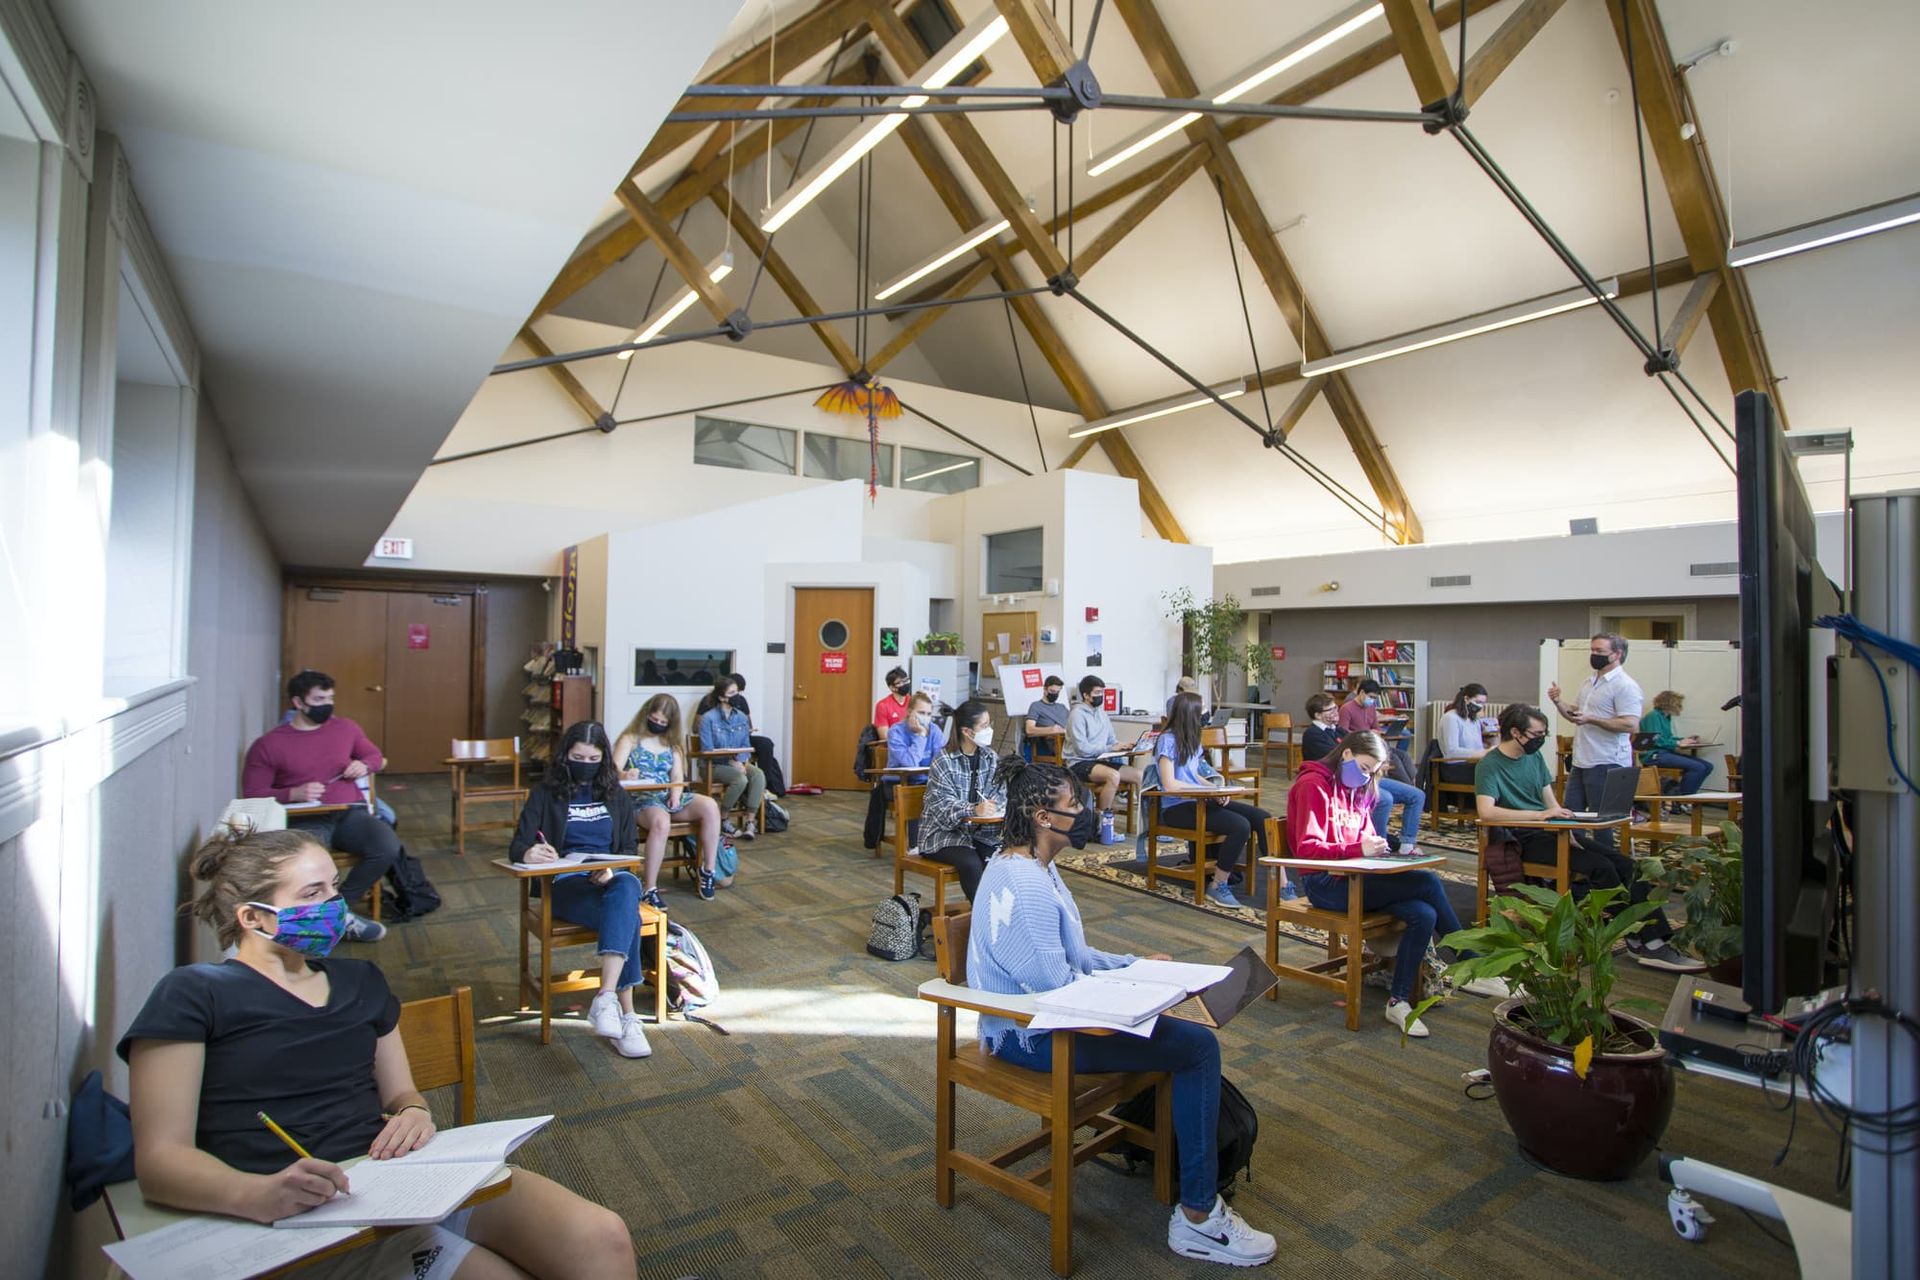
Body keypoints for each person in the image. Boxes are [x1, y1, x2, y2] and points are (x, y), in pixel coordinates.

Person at [121, 825, 636, 1277]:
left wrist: (414, 1113)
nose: (335, 906)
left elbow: (403, 1092)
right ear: (255, 917)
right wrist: (256, 1195)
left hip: (398, 1176)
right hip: (302, 1206)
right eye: (312, 893)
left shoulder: (360, 980)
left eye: (334, 889)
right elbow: (162, 1162)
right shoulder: (195, 993)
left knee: (601, 1235)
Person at [966, 757, 1276, 1265]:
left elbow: (1078, 962)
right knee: (1197, 1048)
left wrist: (1137, 967)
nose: (1086, 809)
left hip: (1047, 1020)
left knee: (1183, 1029)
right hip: (1030, 1036)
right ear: (1044, 818)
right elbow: (1056, 988)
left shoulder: (1037, 868)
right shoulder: (1021, 884)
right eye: (1074, 804)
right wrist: (1141, 999)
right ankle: (1198, 1217)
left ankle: (1192, 1188)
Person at [1288, 730, 1512, 1036]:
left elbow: (1363, 833)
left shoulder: (1358, 787)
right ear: (1347, 754)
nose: (1367, 778)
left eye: (1373, 772)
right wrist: (1358, 850)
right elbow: (1307, 850)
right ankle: (1470, 965)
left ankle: (1399, 1000)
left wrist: (1379, 847)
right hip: (1326, 884)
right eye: (1365, 769)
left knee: (1424, 913)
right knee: (1428, 883)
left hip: (1357, 877)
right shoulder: (1312, 785)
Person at [1475, 704, 1702, 972]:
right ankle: (1647, 942)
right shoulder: (1490, 765)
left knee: (1627, 865)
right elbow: (1486, 811)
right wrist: (1541, 817)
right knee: (1602, 868)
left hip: (1551, 829)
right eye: (1537, 733)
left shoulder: (1533, 759)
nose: (1541, 739)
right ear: (1515, 732)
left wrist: (1566, 824)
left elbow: (1552, 803)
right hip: (1521, 837)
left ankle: (1646, 937)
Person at [509, 721, 658, 1055]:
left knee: (625, 885)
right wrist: (529, 852)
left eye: (593, 759)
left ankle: (606, 999)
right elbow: (517, 844)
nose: (586, 764)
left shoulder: (615, 792)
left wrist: (611, 868)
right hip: (565, 885)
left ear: (603, 758)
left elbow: (629, 847)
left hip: (606, 882)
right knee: (628, 917)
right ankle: (628, 1016)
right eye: (579, 757)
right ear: (566, 755)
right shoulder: (546, 792)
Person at [241, 671, 394, 943]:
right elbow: (252, 793)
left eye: (330, 698)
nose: (327, 704)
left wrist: (364, 765)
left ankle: (336, 914)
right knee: (309, 867)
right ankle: (329, 923)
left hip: (348, 812)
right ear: (299, 703)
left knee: (386, 845)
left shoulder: (345, 728)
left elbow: (373, 755)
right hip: (304, 817)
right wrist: (293, 793)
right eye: (319, 698)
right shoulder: (269, 744)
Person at [1153, 691, 1272, 909]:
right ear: (1191, 713)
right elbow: (1170, 784)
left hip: (1198, 799)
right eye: (1203, 709)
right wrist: (1206, 791)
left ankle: (1279, 881)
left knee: (1262, 817)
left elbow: (1193, 775)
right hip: (1177, 807)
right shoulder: (1167, 740)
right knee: (1240, 826)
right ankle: (1218, 884)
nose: (1207, 714)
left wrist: (1216, 787)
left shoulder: (1192, 739)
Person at [612, 695, 726, 904]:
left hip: (667, 796)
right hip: (640, 799)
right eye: (654, 719)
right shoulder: (630, 738)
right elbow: (614, 769)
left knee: (710, 806)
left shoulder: (672, 744)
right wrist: (626, 775)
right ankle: (650, 887)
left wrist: (675, 794)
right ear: (646, 714)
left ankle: (708, 870)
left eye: (663, 723)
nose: (657, 725)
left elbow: (677, 775)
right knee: (661, 821)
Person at [1547, 633, 1643, 857]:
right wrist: (1558, 701)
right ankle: (1575, 861)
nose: (1594, 655)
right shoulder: (1590, 682)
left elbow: (1630, 723)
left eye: (1600, 652)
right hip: (1582, 759)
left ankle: (1606, 865)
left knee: (1602, 821)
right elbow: (1576, 714)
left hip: (1607, 760)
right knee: (1571, 814)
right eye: (1592, 651)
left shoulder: (1625, 686)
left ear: (1617, 655)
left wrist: (1592, 719)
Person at [916, 699, 1005, 901]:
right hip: (942, 835)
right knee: (971, 863)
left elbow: (1000, 793)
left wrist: (995, 807)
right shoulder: (944, 760)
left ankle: (1001, 917)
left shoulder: (990, 757)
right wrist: (974, 809)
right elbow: (943, 809)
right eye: (984, 726)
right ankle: (983, 920)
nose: (989, 730)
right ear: (967, 731)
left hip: (979, 832)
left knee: (1000, 859)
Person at [1066, 675, 1143, 845]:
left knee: (1140, 775)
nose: (1101, 695)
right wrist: (1109, 748)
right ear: (1086, 695)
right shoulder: (1077, 715)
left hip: (1101, 759)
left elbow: (1110, 741)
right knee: (1113, 776)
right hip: (1079, 762)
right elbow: (1082, 748)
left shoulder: (1102, 713)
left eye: (1102, 691)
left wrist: (1123, 746)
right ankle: (1101, 825)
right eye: (1097, 692)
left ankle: (1147, 826)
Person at [696, 676, 765, 839]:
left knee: (758, 775)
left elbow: (745, 744)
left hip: (736, 762)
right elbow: (707, 749)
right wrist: (731, 762)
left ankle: (750, 821)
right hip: (713, 765)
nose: (737, 696)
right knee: (740, 779)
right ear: (722, 697)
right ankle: (723, 818)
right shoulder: (708, 718)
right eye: (732, 693)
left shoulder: (741, 717)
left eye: (737, 692)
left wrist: (741, 761)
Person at [1640, 690, 1712, 794]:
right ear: (1670, 704)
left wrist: (1684, 740)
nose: (1681, 707)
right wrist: (1678, 743)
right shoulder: (1654, 716)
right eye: (1679, 704)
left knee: (1708, 766)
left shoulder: (1666, 717)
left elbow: (1667, 738)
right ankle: (1682, 799)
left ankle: (1686, 796)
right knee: (1698, 767)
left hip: (1665, 753)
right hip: (1654, 755)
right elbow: (1656, 740)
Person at [726, 672, 785, 797]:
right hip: (725, 740)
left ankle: (766, 783)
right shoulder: (712, 702)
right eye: (734, 691)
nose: (737, 695)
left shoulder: (741, 700)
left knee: (766, 743)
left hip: (743, 738)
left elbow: (748, 724)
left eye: (739, 692)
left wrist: (747, 729)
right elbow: (697, 727)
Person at [884, 690, 947, 782]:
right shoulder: (896, 731)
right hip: (899, 783)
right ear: (909, 712)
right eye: (921, 713)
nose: (925, 717)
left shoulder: (934, 730)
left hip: (926, 783)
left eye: (929, 714)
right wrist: (920, 736)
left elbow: (942, 761)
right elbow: (910, 764)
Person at [1440, 683, 1491, 761]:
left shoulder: (1474, 720)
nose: (1480, 707)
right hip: (1458, 765)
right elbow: (1451, 751)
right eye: (1478, 702)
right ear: (1466, 699)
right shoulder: (1450, 718)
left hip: (1474, 762)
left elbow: (1478, 747)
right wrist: (1483, 753)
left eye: (1483, 704)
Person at [1025, 674, 1070, 753]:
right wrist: (1051, 730)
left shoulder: (1062, 707)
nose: (1055, 694)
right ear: (1045, 689)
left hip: (1069, 740)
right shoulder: (1036, 706)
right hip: (1054, 742)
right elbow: (1029, 729)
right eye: (1052, 691)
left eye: (1057, 692)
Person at [1301, 693, 1341, 760]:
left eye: (1335, 708)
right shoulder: (1312, 734)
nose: (1335, 712)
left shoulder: (1337, 729)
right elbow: (1333, 757)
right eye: (1331, 710)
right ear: (1318, 715)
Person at [873, 666, 912, 733]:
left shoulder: (914, 702)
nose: (905, 684)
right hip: (894, 742)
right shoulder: (883, 706)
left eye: (906, 680)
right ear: (892, 687)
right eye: (900, 682)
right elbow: (884, 736)